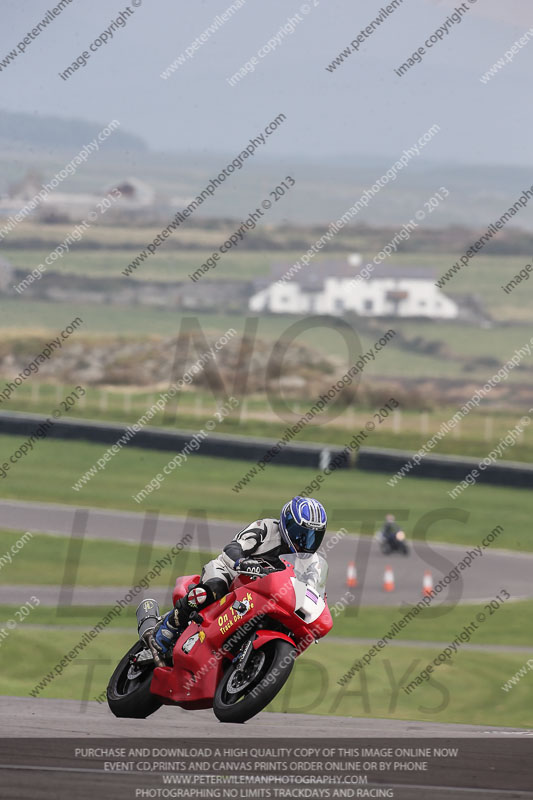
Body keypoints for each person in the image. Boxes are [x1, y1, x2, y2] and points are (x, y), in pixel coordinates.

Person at [153, 496, 327, 658]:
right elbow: (233, 547)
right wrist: (242, 562)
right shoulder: (266, 527)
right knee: (213, 589)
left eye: (313, 537)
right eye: (300, 534)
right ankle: (168, 627)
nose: (305, 542)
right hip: (232, 573)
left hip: (267, 597)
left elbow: (309, 590)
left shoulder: (312, 563)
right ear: (287, 523)